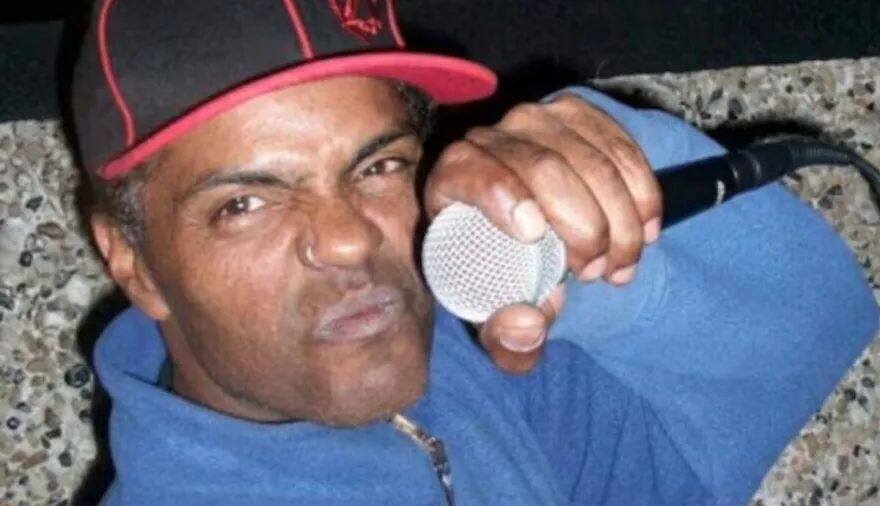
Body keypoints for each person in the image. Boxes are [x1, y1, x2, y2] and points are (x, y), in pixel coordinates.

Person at [70, 1, 877, 505]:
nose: (349, 236)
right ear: (131, 260)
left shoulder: (463, 366)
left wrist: (587, 220)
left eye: (379, 166)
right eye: (244, 204)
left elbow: (812, 327)